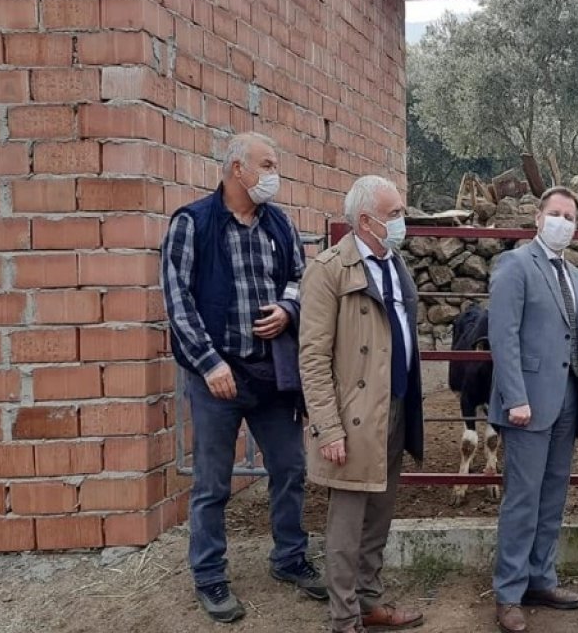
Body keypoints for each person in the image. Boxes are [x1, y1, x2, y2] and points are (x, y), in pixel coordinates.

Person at [160, 131, 323, 623]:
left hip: (270, 372)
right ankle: (209, 576)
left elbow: (300, 276)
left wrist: (289, 309)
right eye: (268, 164)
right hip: (218, 376)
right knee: (212, 482)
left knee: (291, 468)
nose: (275, 174)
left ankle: (290, 558)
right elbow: (178, 299)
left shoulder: (280, 224)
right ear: (237, 169)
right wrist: (209, 364)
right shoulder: (193, 223)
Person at [299, 175, 427, 633]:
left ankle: (369, 601)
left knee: (380, 512)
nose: (401, 221)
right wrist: (328, 427)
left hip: (394, 407)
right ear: (366, 220)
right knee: (347, 523)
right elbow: (312, 357)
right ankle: (343, 617)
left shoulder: (395, 264)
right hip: (353, 418)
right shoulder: (329, 270)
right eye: (394, 214)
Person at [488, 187, 578, 633]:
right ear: (537, 218)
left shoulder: (575, 276)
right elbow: (503, 336)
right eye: (554, 213)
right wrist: (515, 397)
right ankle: (509, 591)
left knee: (552, 497)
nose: (562, 222)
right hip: (528, 404)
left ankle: (541, 577)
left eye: (569, 216)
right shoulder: (515, 266)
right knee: (522, 498)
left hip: (567, 401)